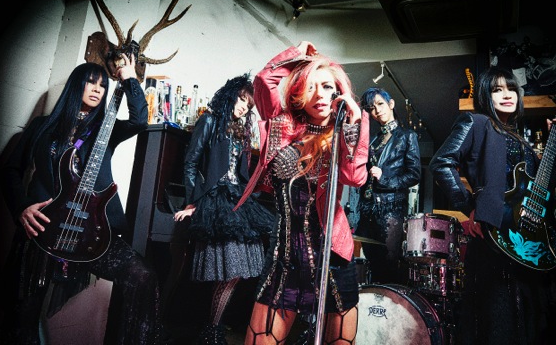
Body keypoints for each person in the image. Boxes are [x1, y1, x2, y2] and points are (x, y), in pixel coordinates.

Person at [0, 54, 163, 344]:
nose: (98, 89)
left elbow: (139, 121)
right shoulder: (42, 126)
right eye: (91, 82)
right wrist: (22, 207)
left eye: (102, 85)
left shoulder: (106, 130)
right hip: (43, 228)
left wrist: (129, 78)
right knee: (21, 318)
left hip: (91, 230)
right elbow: (11, 169)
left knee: (142, 276)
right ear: (77, 84)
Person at [235, 41, 370, 345]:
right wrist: (298, 55)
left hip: (332, 258)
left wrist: (353, 125)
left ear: (339, 93)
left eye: (327, 86)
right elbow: (264, 80)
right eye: (310, 87)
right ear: (299, 91)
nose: (319, 94)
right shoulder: (284, 123)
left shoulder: (346, 130)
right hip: (285, 257)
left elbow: (355, 177)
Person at [429, 66, 556, 344]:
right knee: (497, 322)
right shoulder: (475, 122)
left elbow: (543, 189)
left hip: (529, 243)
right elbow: (441, 163)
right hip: (494, 236)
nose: (507, 95)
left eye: (511, 89)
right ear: (486, 95)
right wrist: (471, 207)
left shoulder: (521, 141)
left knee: (531, 325)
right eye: (497, 90)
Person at [172, 74, 275, 344]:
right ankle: (212, 330)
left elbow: (240, 174)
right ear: (230, 95)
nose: (243, 107)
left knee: (236, 271)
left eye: (248, 105)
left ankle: (212, 328)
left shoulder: (240, 131)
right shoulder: (209, 120)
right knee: (228, 270)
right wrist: (193, 202)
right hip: (213, 199)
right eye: (241, 100)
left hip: (235, 200)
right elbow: (191, 163)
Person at [354, 87, 421, 285]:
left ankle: (390, 302)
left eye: (380, 104)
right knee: (372, 265)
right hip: (367, 211)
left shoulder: (407, 136)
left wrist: (384, 179)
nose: (377, 110)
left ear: (391, 104)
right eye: (372, 108)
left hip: (391, 211)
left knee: (390, 267)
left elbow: (414, 175)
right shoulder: (373, 140)